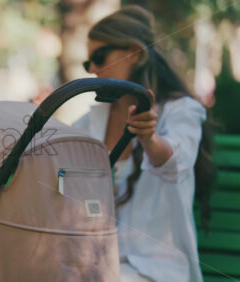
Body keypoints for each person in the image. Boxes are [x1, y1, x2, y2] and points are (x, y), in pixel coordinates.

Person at [72, 6, 215, 282]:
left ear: (134, 53)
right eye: (87, 62)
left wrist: (149, 139)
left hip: (158, 269)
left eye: (99, 57)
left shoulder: (181, 111)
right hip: (98, 265)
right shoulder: (92, 120)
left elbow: (175, 163)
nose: (92, 69)